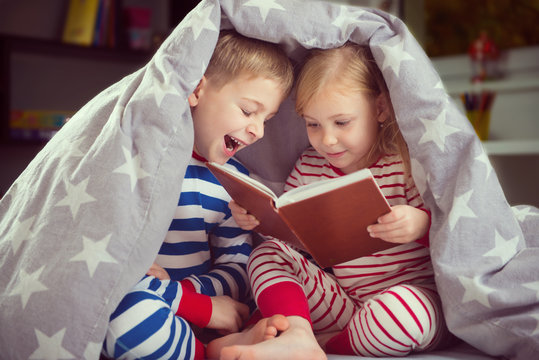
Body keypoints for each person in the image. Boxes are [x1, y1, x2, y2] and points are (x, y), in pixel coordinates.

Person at [211, 43, 453, 360]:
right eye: (313, 124)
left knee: (400, 317)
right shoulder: (309, 167)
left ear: (380, 109)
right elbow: (293, 239)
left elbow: (457, 234)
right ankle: (298, 332)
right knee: (267, 253)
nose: (326, 140)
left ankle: (322, 345)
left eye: (341, 122)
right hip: (343, 301)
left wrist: (421, 224)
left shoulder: (405, 165)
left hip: (412, 299)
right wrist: (260, 220)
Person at [101, 30, 294, 360]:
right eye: (249, 111)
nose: (258, 130)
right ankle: (212, 353)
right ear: (197, 89)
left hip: (201, 313)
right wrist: (192, 305)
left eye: (268, 119)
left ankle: (210, 346)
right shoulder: (133, 158)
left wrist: (191, 299)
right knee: (121, 311)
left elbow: (237, 269)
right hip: (144, 305)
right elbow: (100, 263)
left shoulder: (234, 184)